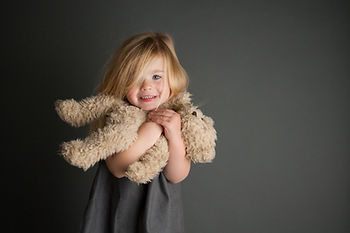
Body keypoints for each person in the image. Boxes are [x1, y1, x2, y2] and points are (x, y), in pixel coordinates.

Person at [79, 32, 190, 233]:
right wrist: (150, 130)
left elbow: (176, 175)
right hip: (119, 207)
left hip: (160, 215)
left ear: (172, 79)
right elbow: (117, 167)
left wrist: (173, 135)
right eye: (134, 78)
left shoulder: (173, 117)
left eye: (156, 76)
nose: (147, 86)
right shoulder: (118, 116)